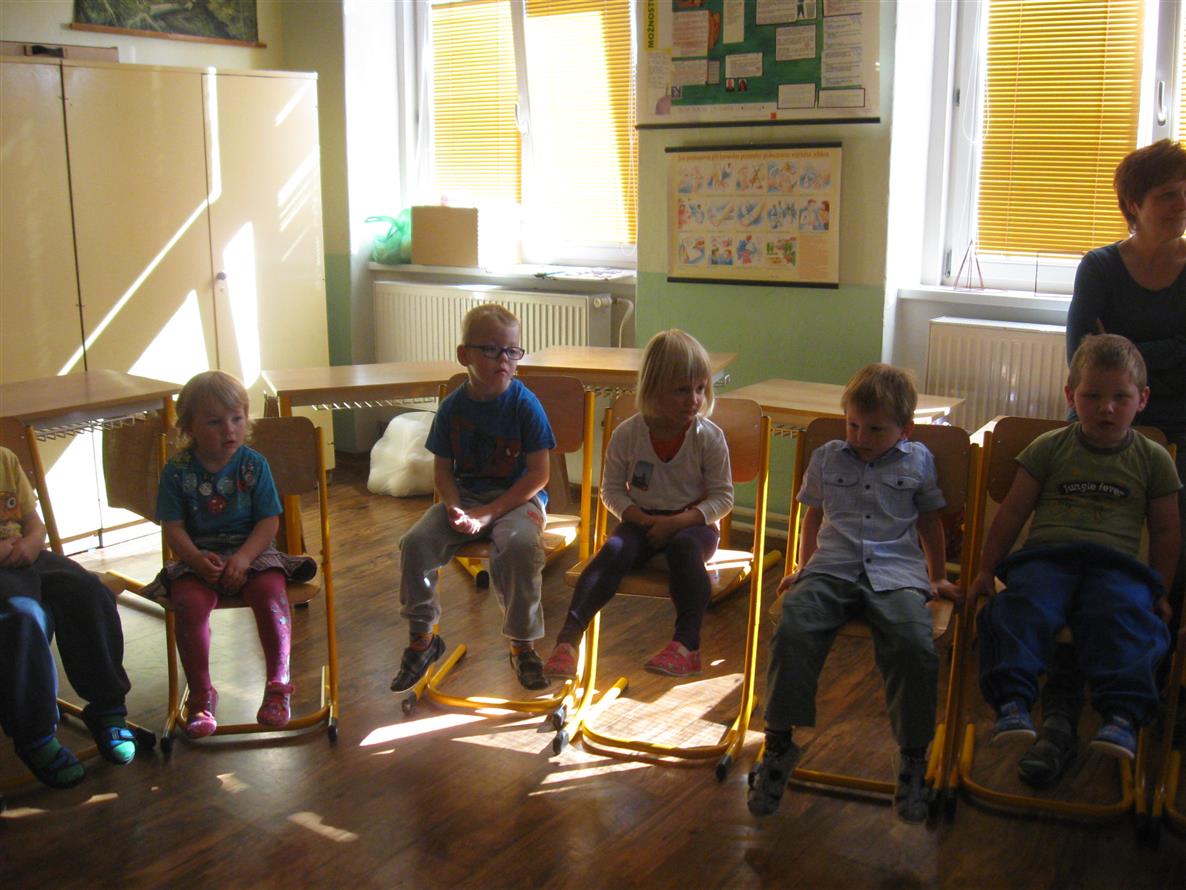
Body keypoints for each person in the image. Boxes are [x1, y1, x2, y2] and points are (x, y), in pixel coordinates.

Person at [1032, 139, 1186, 787]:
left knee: (1171, 558)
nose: (1181, 206)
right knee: (1083, 551)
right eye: (1168, 195)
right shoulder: (1099, 266)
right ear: (1134, 204)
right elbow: (1086, 361)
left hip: (1178, 431)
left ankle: (1144, 699)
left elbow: (1114, 355)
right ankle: (1062, 710)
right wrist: (1167, 350)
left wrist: (1131, 353)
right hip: (1105, 426)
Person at [747, 364, 955, 823]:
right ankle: (778, 745)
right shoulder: (828, 457)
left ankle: (913, 757)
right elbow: (813, 517)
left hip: (897, 573)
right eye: (853, 425)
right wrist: (802, 568)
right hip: (832, 568)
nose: (861, 437)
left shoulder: (918, 460)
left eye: (875, 429)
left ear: (905, 429)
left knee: (913, 643)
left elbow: (929, 521)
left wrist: (938, 576)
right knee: (793, 627)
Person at [973, 335, 1180, 768]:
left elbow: (1165, 531)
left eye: (1120, 397)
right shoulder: (1049, 447)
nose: (1106, 408)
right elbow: (1012, 513)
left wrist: (1159, 589)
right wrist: (985, 570)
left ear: (1142, 399)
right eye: (1092, 396)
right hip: (1048, 559)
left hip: (1115, 568)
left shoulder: (1153, 458)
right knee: (1019, 607)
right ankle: (1012, 701)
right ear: (1071, 396)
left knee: (1128, 616)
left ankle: (1121, 714)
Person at [542, 330, 733, 680]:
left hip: (693, 525)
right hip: (641, 520)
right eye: (682, 390)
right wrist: (639, 518)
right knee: (614, 550)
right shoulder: (628, 434)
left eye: (700, 388)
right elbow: (612, 490)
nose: (694, 399)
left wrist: (678, 522)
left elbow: (723, 497)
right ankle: (568, 640)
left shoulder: (708, 437)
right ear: (654, 388)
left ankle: (686, 645)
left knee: (684, 550)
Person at [391, 304, 556, 693]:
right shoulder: (452, 407)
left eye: (512, 351)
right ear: (464, 354)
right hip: (466, 496)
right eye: (492, 350)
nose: (504, 360)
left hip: (518, 501)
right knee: (415, 543)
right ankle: (423, 638)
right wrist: (453, 506)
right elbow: (443, 471)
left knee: (519, 546)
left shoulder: (525, 405)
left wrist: (489, 512)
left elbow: (539, 474)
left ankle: (523, 645)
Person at [155, 371, 315, 738]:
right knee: (189, 604)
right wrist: (195, 559)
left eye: (237, 418)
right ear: (189, 428)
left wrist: (243, 558)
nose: (229, 429)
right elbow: (173, 526)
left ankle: (278, 687)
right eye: (214, 422)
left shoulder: (253, 464)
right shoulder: (177, 471)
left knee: (270, 593)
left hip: (253, 553)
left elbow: (269, 522)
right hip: (198, 558)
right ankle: (201, 694)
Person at [0, 445, 136, 787]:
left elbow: (33, 522)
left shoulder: (5, 459)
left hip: (27, 555)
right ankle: (35, 737)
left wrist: (33, 541)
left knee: (89, 592)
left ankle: (107, 707)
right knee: (24, 617)